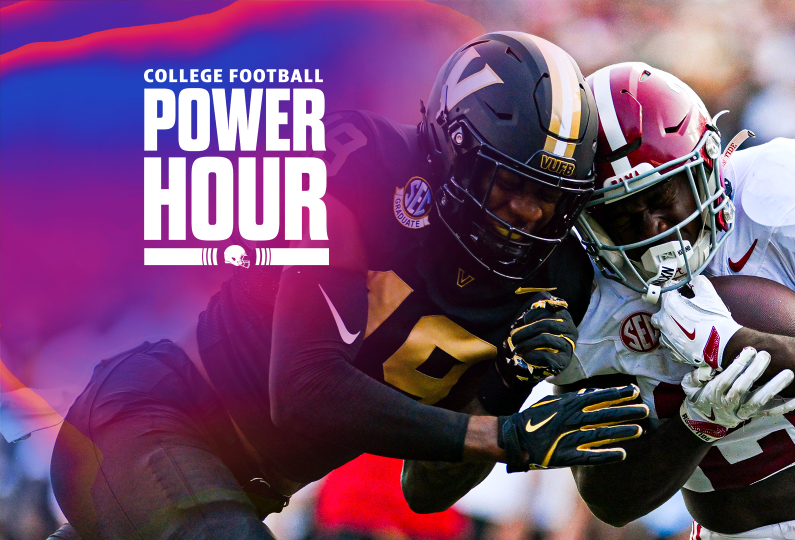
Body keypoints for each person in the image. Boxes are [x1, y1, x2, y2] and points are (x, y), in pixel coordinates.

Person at [44, 34, 650, 540]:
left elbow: (424, 490)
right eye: (506, 183)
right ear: (454, 152)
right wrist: (505, 438)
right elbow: (304, 387)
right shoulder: (362, 165)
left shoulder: (551, 280)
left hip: (239, 491)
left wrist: (508, 383)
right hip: (150, 418)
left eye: (548, 197)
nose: (525, 212)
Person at [553, 62, 795, 539]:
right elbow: (610, 498)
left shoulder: (780, 191)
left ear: (709, 164)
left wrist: (732, 347)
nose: (653, 228)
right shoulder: (582, 293)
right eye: (621, 216)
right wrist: (695, 425)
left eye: (663, 195)